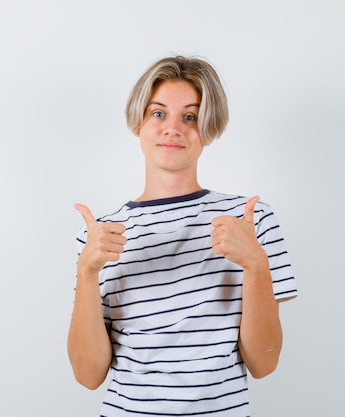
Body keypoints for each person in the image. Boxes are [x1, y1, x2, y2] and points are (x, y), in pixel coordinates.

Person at [67, 55, 298, 416]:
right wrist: (87, 271)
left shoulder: (249, 221)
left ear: (208, 127)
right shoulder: (100, 235)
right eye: (158, 113)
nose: (173, 128)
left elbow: (263, 365)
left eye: (189, 117)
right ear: (138, 124)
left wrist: (255, 264)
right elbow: (88, 375)